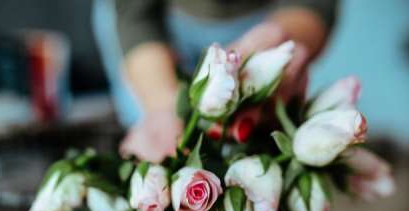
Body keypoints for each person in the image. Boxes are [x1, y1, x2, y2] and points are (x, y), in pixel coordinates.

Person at [92, 0, 338, 163]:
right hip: (155, 19)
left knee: (256, 151)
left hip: (269, 16)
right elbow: (135, 14)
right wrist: (162, 107)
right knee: (157, 144)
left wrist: (285, 42)